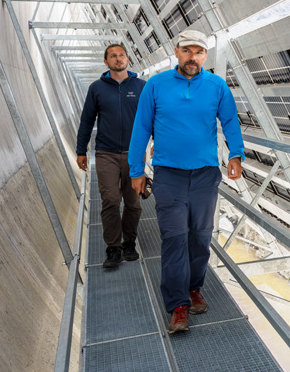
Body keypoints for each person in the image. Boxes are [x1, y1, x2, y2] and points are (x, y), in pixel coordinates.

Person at [129, 30, 243, 334]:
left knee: (200, 236)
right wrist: (135, 170)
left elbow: (230, 121)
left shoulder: (217, 86)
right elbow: (141, 128)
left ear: (205, 56)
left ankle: (194, 288)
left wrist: (236, 154)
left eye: (199, 52)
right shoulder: (156, 85)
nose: (193, 57)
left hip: (205, 173)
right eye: (187, 51)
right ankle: (178, 305)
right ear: (176, 52)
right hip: (169, 174)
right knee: (174, 237)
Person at [76, 43, 146, 269]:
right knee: (110, 200)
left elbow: (153, 118)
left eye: (121, 55)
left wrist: (159, 144)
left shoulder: (142, 87)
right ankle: (113, 248)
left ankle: (129, 243)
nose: (118, 59)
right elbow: (87, 120)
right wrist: (81, 150)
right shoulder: (97, 88)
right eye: (113, 56)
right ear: (105, 62)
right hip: (105, 152)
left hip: (135, 154)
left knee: (133, 202)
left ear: (128, 59)